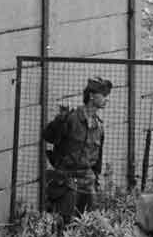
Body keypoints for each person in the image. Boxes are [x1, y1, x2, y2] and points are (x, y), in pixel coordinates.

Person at [42, 76, 112, 221]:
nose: (107, 99)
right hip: (67, 181)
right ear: (92, 96)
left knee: (89, 225)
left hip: (87, 182)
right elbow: (48, 136)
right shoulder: (71, 118)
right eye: (103, 95)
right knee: (65, 224)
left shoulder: (99, 127)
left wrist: (95, 180)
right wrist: (59, 120)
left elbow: (97, 160)